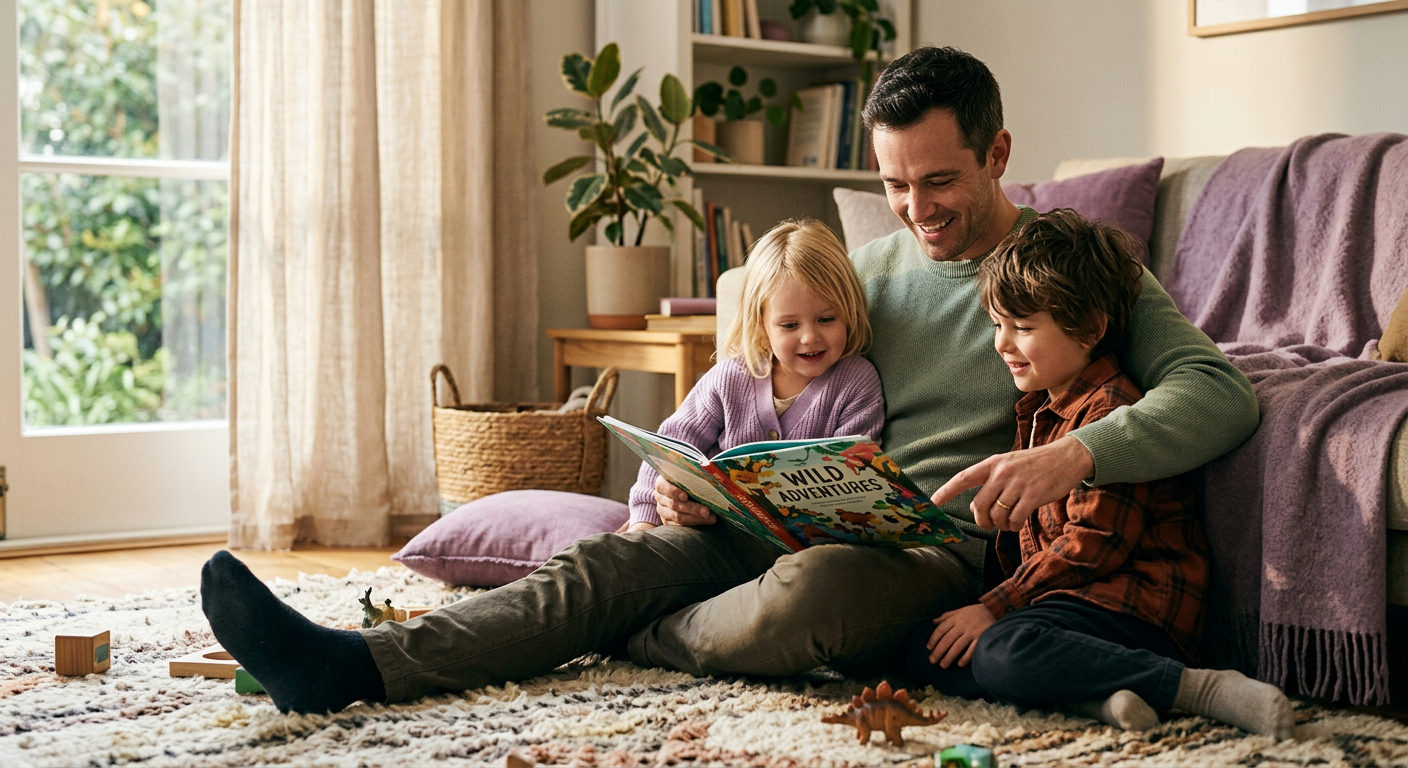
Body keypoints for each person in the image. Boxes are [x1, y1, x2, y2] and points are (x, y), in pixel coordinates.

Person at [199, 45, 1259, 716]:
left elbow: (1218, 392)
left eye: (939, 180)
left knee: (803, 598)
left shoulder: (1065, 269)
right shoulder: (866, 267)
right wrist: (685, 482)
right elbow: (760, 360)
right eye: (893, 185)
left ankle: (630, 636)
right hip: (790, 512)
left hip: (929, 553)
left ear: (997, 154)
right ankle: (354, 669)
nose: (917, 208)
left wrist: (1070, 451)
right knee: (610, 562)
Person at [902, 209, 1293, 738]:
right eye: (998, 325)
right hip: (1068, 605)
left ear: (1089, 329)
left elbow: (1097, 542)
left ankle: (1201, 689)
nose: (1002, 344)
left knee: (1000, 650)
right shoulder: (1040, 407)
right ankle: (1102, 700)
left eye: (1022, 327)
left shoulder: (1111, 410)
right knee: (926, 651)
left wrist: (995, 607)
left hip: (1135, 609)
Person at [623, 219, 884, 533]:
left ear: (849, 312)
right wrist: (644, 520)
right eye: (789, 326)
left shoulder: (856, 383)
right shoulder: (731, 377)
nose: (810, 337)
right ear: (762, 325)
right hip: (710, 533)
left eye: (827, 319)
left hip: (807, 546)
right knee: (600, 555)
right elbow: (668, 449)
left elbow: (859, 482)